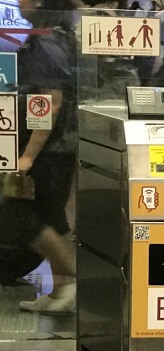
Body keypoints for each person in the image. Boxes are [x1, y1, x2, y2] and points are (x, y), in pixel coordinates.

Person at [15, 0, 78, 312]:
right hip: (52, 146)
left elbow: (49, 102)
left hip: (50, 148)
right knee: (47, 214)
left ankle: (71, 285)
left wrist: (27, 157)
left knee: (39, 216)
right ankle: (61, 291)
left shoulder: (46, 42)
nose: (17, 2)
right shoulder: (49, 36)